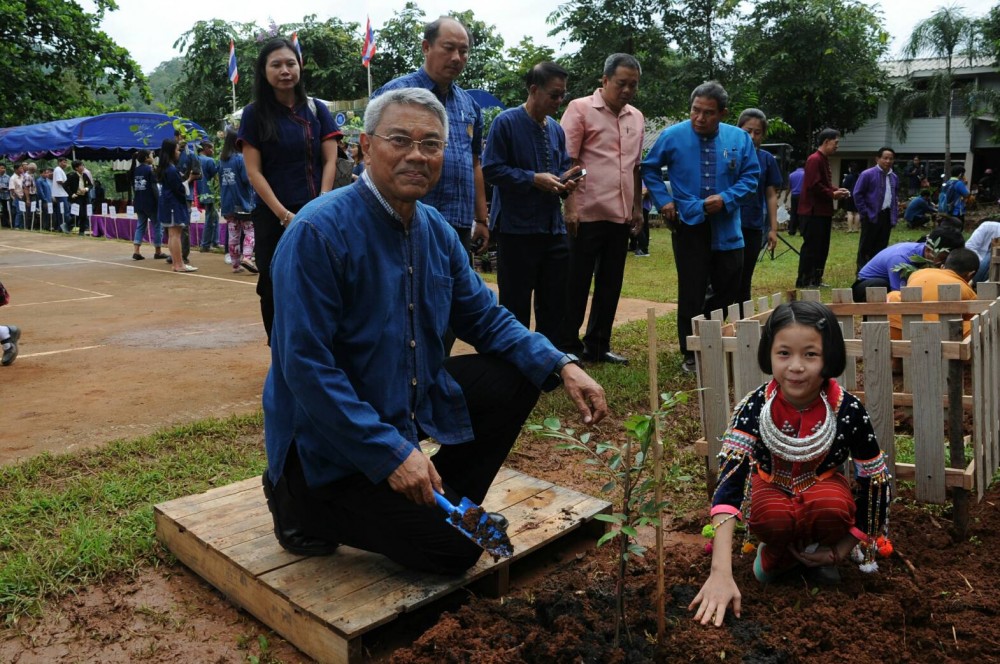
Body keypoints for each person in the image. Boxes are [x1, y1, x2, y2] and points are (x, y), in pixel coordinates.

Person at [261, 87, 609, 575]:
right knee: (456, 551)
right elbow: (306, 368)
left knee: (517, 376)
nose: (417, 155)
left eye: (431, 144)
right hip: (328, 446)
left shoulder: (436, 230)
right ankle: (298, 505)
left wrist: (561, 363)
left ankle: (439, 497)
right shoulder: (318, 232)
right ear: (365, 147)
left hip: (402, 402)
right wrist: (389, 454)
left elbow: (485, 319)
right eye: (400, 140)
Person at [690, 301, 891, 626]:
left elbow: (875, 481)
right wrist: (720, 572)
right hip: (771, 489)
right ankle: (775, 553)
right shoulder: (754, 407)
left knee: (832, 507)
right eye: (784, 353)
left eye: (810, 354)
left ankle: (821, 551)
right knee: (773, 516)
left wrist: (841, 549)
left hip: (824, 493)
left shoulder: (848, 410)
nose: (796, 366)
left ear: (829, 356)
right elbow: (730, 484)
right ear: (769, 354)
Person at [642, 81, 758, 373]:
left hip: (727, 225)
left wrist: (727, 198)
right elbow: (649, 168)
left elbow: (751, 177)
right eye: (695, 110)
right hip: (688, 223)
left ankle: (710, 334)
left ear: (723, 113)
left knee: (730, 283)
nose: (700, 118)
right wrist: (664, 201)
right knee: (691, 288)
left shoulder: (739, 138)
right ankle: (691, 351)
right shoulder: (672, 135)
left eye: (708, 113)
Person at [238, 37, 341, 344]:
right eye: (276, 65)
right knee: (273, 284)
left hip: (317, 213)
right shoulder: (254, 114)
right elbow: (254, 171)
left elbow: (330, 159)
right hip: (273, 216)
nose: (285, 70)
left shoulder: (316, 109)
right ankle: (281, 352)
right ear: (264, 71)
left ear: (300, 66)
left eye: (290, 63)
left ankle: (320, 351)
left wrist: (323, 202)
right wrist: (284, 215)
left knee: (321, 281)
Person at [372, 16, 489, 257]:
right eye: (449, 48)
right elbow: (374, 154)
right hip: (407, 220)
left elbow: (475, 163)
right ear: (426, 47)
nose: (456, 57)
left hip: (458, 224)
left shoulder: (470, 106)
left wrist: (481, 219)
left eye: (463, 51)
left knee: (456, 281)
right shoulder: (395, 94)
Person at [482, 61, 580, 345]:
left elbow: (560, 168)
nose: (559, 101)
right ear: (534, 90)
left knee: (554, 300)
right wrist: (532, 179)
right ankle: (514, 359)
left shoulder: (556, 129)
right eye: (554, 95)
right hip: (516, 229)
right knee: (515, 303)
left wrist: (566, 183)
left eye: (562, 95)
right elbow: (491, 169)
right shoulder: (506, 122)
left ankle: (549, 359)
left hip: (552, 228)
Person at [560, 53, 645, 366]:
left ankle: (598, 345)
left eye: (633, 85)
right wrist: (570, 206)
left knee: (610, 284)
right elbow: (569, 160)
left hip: (620, 215)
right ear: (605, 80)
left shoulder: (636, 117)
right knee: (576, 282)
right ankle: (568, 345)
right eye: (621, 83)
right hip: (585, 213)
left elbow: (635, 167)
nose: (627, 90)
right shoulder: (580, 109)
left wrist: (637, 208)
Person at [736, 108, 781, 316]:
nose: (752, 136)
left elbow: (771, 195)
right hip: (727, 224)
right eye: (748, 131)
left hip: (753, 225)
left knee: (745, 277)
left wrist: (773, 228)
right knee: (723, 274)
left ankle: (743, 321)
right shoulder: (727, 154)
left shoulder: (767, 159)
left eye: (757, 132)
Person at [796, 129, 851, 288]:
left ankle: (816, 279)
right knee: (812, 247)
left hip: (823, 212)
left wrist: (837, 190)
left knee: (822, 247)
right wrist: (832, 194)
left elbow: (824, 184)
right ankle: (805, 280)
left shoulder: (823, 159)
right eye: (836, 142)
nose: (837, 146)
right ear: (826, 141)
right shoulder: (814, 159)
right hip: (812, 212)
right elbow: (814, 185)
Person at [852, 226, 965, 302]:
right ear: (929, 250)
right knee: (881, 286)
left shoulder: (924, 255)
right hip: (867, 286)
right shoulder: (900, 260)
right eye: (943, 259)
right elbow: (899, 294)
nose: (944, 264)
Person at [886, 248, 979, 339]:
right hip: (937, 336)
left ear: (942, 266)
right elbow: (972, 318)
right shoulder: (968, 292)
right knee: (976, 324)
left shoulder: (918, 273)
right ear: (970, 274)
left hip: (899, 328)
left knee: (894, 295)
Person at [853, 147, 899, 272]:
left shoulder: (894, 177)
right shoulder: (867, 174)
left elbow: (894, 197)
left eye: (891, 159)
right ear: (877, 159)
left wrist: (894, 215)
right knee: (866, 246)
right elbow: (857, 194)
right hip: (872, 215)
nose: (888, 161)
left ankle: (876, 272)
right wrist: (865, 212)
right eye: (885, 158)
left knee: (881, 246)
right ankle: (862, 273)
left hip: (887, 215)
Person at [219, 128, 257, 275]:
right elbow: (247, 179)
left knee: (233, 234)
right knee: (250, 230)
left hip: (228, 203)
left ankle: (235, 265)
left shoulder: (222, 161)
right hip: (242, 201)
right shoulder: (241, 158)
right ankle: (247, 257)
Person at [156, 139, 197, 273]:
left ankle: (176, 263)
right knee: (175, 235)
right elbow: (178, 189)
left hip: (167, 204)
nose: (179, 152)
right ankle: (179, 264)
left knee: (172, 234)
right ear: (171, 151)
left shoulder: (165, 168)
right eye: (177, 149)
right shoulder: (171, 169)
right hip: (173, 205)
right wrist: (189, 179)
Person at [130, 150, 165, 260]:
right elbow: (154, 188)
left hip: (138, 202)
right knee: (158, 225)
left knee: (140, 225)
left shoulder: (135, 170)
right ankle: (158, 251)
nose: (153, 158)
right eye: (151, 156)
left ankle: (136, 251)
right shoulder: (150, 170)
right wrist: (159, 201)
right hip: (150, 202)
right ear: (146, 158)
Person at [196, 141, 221, 253]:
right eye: (211, 148)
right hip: (209, 191)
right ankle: (205, 244)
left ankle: (215, 241)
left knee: (214, 217)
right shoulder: (209, 160)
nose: (212, 151)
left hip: (199, 192)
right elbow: (215, 175)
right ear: (205, 148)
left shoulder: (195, 159)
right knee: (210, 218)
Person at [964, 219, 1000, 283]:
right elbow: (969, 247)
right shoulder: (988, 226)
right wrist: (983, 263)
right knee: (993, 252)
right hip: (975, 265)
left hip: (994, 271)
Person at [64, 161, 93, 235]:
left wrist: (86, 189)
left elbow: (91, 185)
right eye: (81, 166)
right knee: (79, 214)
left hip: (84, 197)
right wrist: (71, 194)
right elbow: (65, 185)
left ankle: (81, 231)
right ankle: (68, 225)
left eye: (83, 165)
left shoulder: (85, 175)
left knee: (84, 215)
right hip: (77, 197)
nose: (83, 167)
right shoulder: (72, 176)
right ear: (76, 168)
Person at [52, 158, 70, 233]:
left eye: (66, 162)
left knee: (61, 212)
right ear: (59, 162)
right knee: (65, 212)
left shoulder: (60, 170)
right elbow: (59, 181)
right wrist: (68, 185)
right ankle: (65, 228)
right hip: (61, 194)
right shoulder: (58, 170)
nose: (65, 164)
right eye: (63, 162)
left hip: (62, 193)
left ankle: (60, 228)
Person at [786, 162, 804, 235]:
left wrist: (785, 197)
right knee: (802, 213)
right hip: (802, 196)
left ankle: (792, 230)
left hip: (794, 196)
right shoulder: (805, 174)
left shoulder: (791, 175)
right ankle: (802, 230)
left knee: (793, 213)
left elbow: (789, 187)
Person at [840, 164, 860, 233]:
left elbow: (844, 185)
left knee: (850, 212)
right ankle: (856, 229)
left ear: (850, 168)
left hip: (849, 195)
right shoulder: (860, 176)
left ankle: (850, 229)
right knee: (857, 213)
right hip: (858, 196)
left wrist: (844, 180)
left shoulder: (848, 177)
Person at [35, 166, 53, 231]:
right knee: (45, 214)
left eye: (47, 173)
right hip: (44, 201)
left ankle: (48, 226)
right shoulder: (39, 181)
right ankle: (44, 227)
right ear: (41, 174)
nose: (47, 174)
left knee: (49, 214)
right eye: (45, 173)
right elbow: (40, 192)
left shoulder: (46, 180)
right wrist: (45, 199)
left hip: (49, 200)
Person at [9, 163, 25, 230]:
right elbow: (12, 189)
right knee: (19, 211)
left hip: (23, 196)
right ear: (16, 169)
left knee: (22, 211)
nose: (22, 169)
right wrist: (17, 197)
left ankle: (21, 226)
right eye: (20, 168)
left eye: (22, 168)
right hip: (17, 197)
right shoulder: (13, 178)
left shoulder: (22, 176)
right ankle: (16, 225)